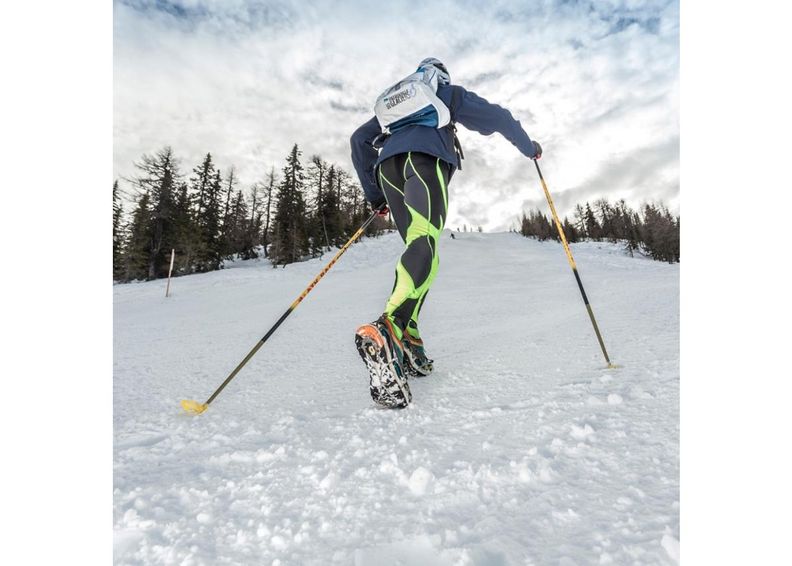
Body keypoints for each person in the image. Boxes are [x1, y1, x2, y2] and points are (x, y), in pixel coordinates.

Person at [350, 57, 542, 408]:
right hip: (424, 159)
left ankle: (407, 334)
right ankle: (390, 327)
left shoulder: (394, 109)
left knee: (422, 248)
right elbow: (499, 117)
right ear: (440, 78)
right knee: (425, 239)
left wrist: (375, 196)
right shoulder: (446, 95)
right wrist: (530, 148)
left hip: (388, 168)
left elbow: (359, 140)